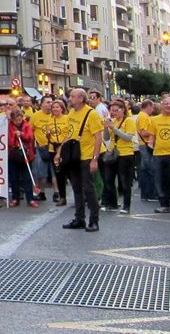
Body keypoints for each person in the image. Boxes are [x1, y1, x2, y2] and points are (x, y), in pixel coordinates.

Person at [60, 89, 101, 232]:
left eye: (72, 96)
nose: (69, 98)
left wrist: (95, 159)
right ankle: (79, 218)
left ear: (81, 99)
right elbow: (68, 133)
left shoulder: (92, 114)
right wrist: (60, 151)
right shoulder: (71, 112)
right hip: (73, 156)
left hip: (86, 156)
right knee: (76, 188)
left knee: (89, 189)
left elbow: (98, 138)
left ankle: (94, 221)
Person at [140, 97, 170, 215]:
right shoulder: (154, 120)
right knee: (159, 180)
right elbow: (152, 135)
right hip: (158, 154)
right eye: (166, 103)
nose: (168, 106)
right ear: (161, 106)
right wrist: (151, 145)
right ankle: (164, 204)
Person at [102, 99, 138, 215]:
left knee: (125, 181)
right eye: (112, 111)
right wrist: (106, 127)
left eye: (116, 110)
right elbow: (106, 138)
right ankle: (112, 203)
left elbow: (128, 137)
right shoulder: (113, 121)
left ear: (123, 110)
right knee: (109, 179)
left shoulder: (129, 121)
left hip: (125, 154)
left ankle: (126, 205)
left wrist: (114, 128)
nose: (114, 113)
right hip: (113, 152)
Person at [6, 108, 37, 208]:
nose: (18, 122)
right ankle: (15, 198)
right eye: (16, 120)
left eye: (19, 119)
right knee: (14, 178)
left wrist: (22, 135)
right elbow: (9, 141)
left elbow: (30, 137)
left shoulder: (27, 125)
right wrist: (15, 136)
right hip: (13, 155)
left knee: (27, 178)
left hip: (25, 155)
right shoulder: (9, 126)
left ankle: (30, 199)